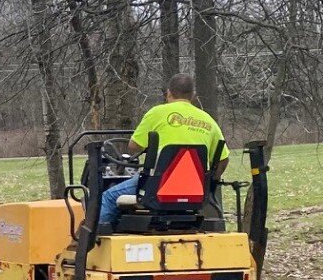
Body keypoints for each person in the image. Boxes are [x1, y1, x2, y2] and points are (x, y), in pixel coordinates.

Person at [97, 74, 227, 232]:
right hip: (196, 190)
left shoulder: (157, 113)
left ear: (169, 93)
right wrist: (210, 182)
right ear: (193, 95)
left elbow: (133, 146)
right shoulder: (208, 120)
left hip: (158, 187)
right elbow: (223, 159)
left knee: (108, 197)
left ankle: (94, 244)